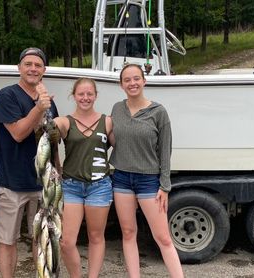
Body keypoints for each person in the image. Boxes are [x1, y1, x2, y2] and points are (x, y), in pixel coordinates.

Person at [110, 64, 184, 278]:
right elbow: (114, 139)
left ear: (144, 81)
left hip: (149, 181)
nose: (132, 83)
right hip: (122, 178)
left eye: (136, 79)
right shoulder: (117, 109)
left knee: (163, 237)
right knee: (128, 233)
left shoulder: (158, 112)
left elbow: (165, 151)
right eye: (127, 80)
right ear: (121, 84)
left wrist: (165, 185)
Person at [0, 47, 58, 278]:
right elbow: (19, 133)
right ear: (19, 68)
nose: (33, 68)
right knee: (8, 240)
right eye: (28, 64)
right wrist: (39, 107)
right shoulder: (7, 96)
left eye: (38, 65)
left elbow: (52, 140)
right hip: (12, 184)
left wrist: (56, 171)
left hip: (42, 184)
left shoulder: (48, 102)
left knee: (42, 240)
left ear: (44, 70)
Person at [53, 78, 113, 278]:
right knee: (67, 241)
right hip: (71, 186)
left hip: (100, 185)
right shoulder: (64, 121)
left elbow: (123, 144)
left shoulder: (107, 121)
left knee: (96, 237)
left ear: (95, 96)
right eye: (81, 94)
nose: (85, 98)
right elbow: (48, 131)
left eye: (89, 94)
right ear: (74, 95)